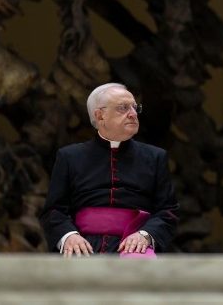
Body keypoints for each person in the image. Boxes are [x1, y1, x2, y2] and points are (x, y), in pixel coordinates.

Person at [41, 83, 179, 257]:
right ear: (100, 116)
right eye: (123, 108)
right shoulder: (70, 157)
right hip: (82, 243)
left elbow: (168, 210)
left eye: (135, 108)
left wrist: (145, 235)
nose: (133, 114)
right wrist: (69, 236)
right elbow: (53, 210)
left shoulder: (155, 157)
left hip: (135, 245)